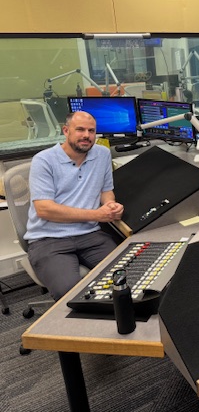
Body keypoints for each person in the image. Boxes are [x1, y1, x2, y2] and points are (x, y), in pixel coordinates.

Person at [24, 111, 124, 301]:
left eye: (91, 131)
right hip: (49, 239)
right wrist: (97, 215)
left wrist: (110, 205)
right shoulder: (44, 160)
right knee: (68, 293)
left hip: (90, 235)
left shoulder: (102, 154)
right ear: (66, 131)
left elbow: (106, 190)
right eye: (80, 129)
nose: (86, 135)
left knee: (128, 276)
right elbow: (44, 210)